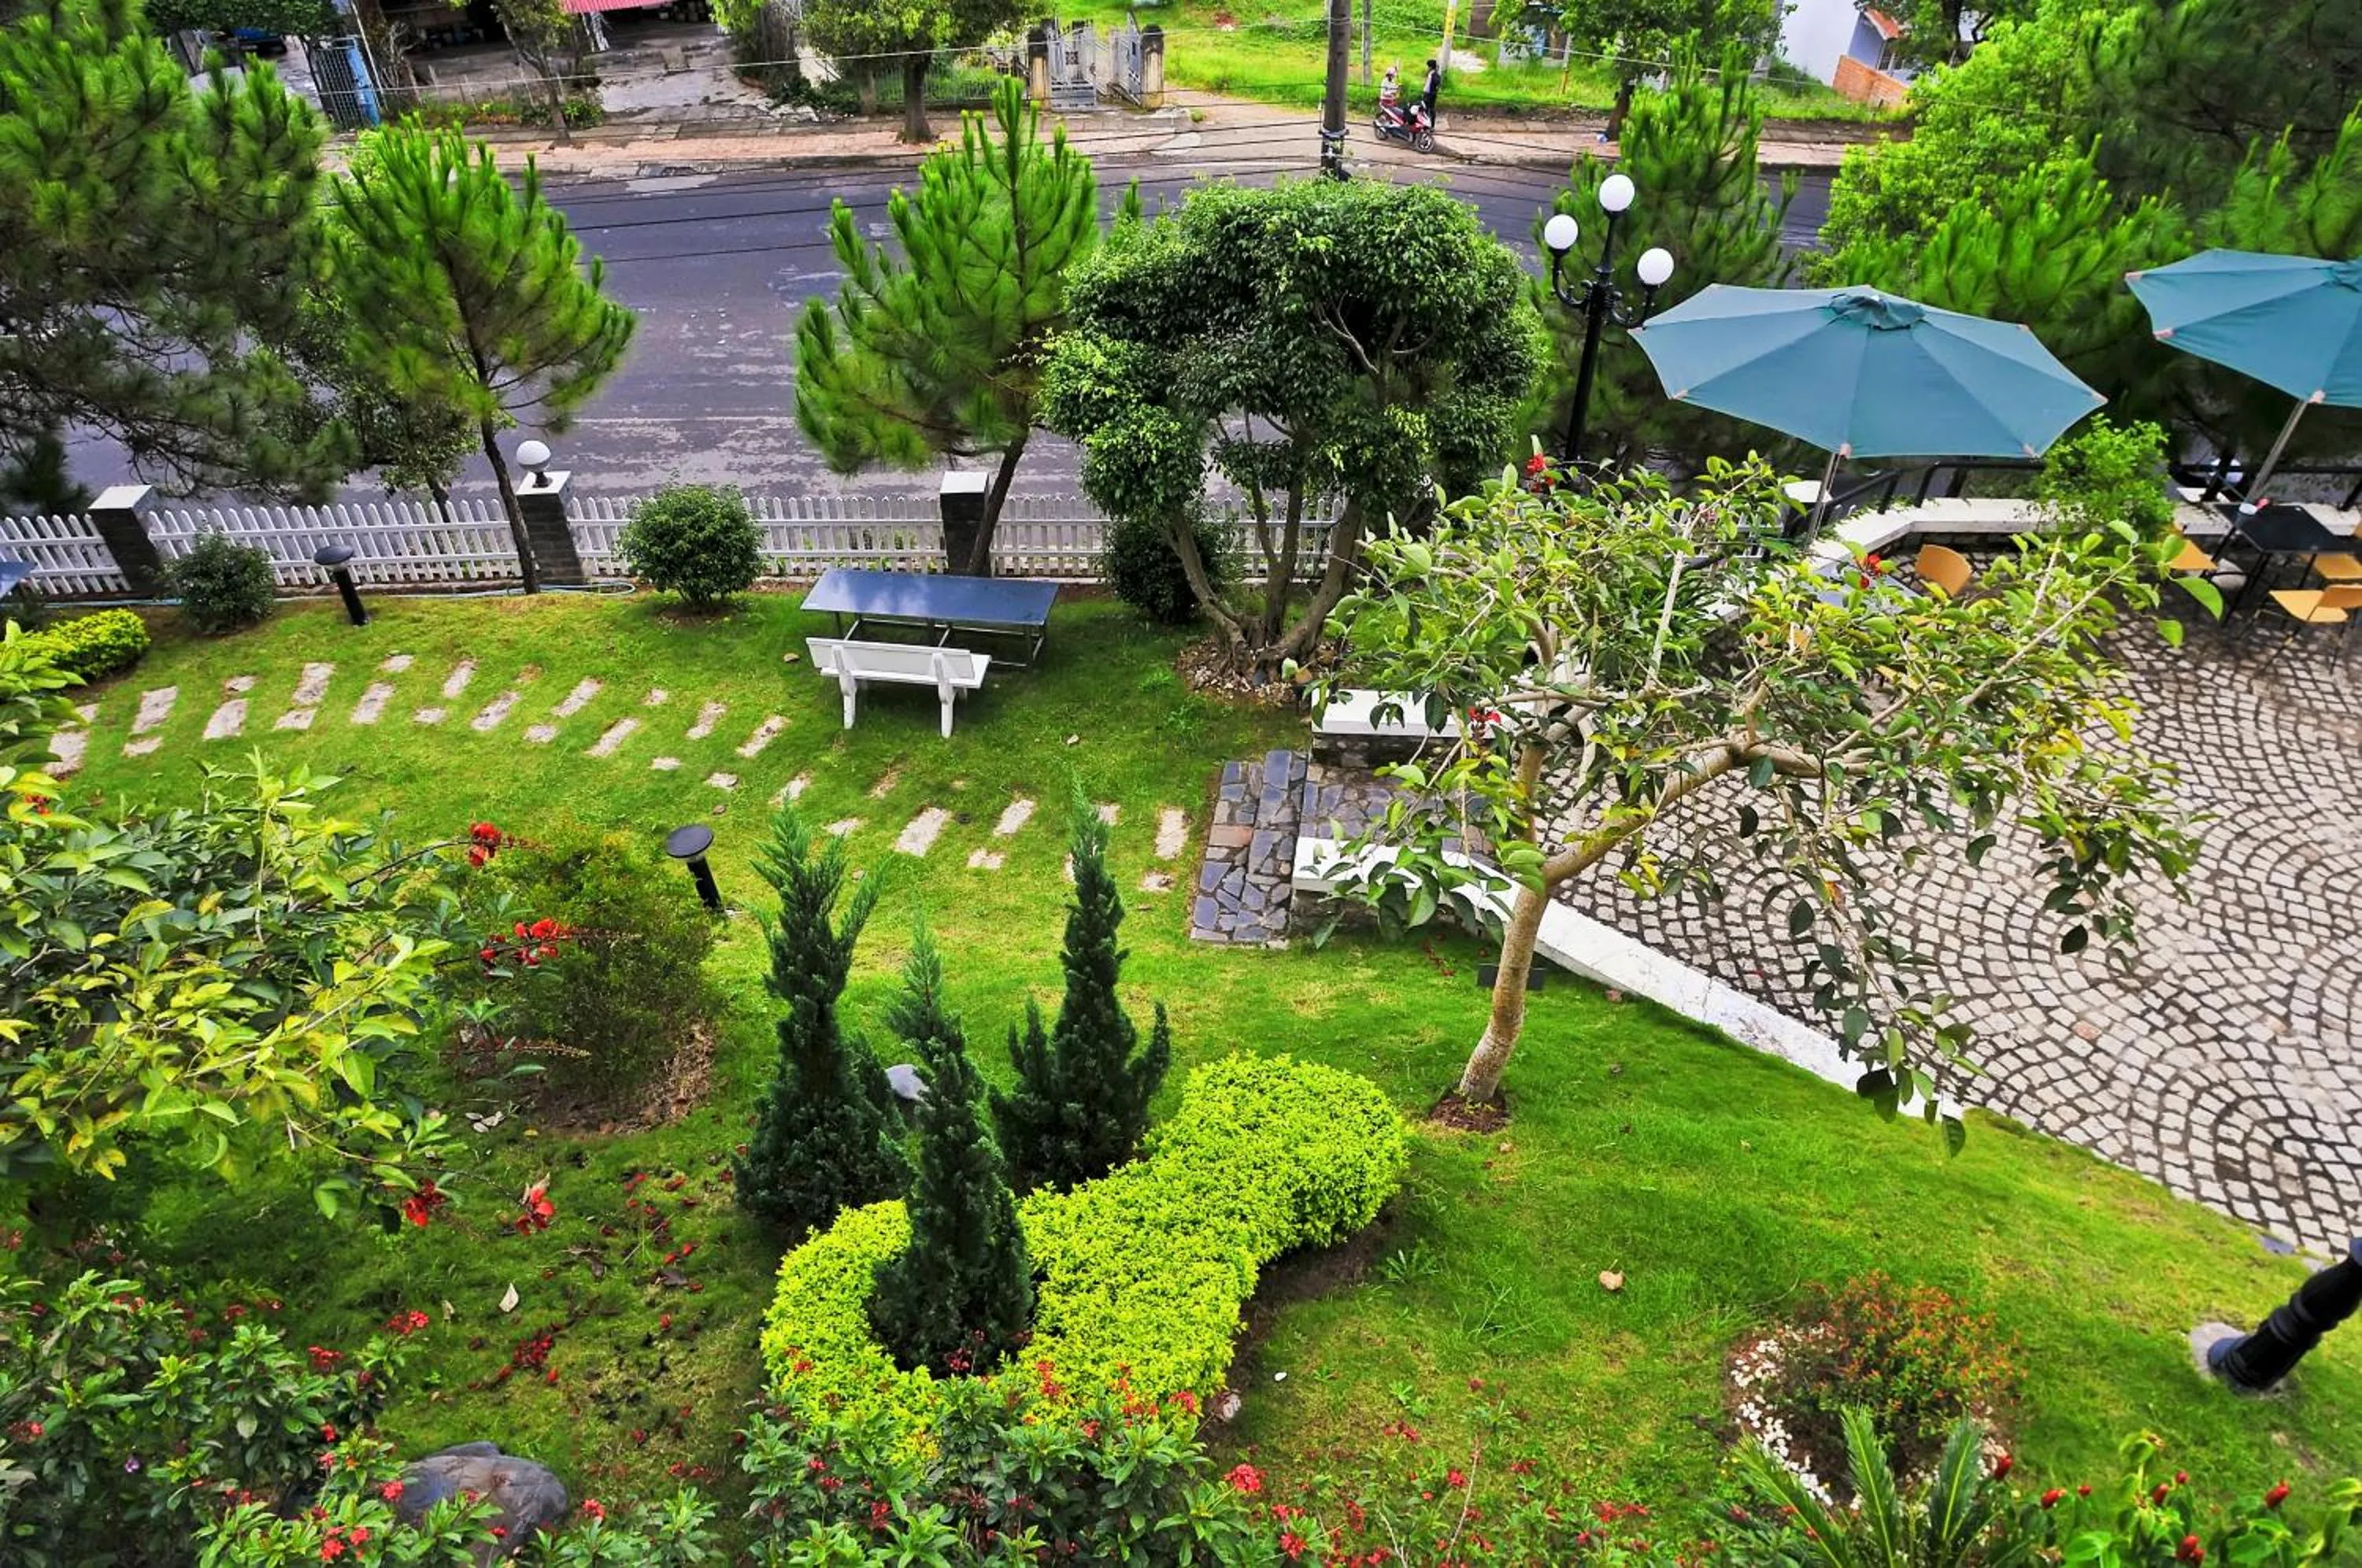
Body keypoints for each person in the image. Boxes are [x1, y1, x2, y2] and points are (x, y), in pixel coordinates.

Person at [1421, 57, 1441, 121]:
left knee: (1431, 109)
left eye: (1428, 66)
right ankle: (1426, 123)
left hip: (1431, 94)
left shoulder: (1434, 74)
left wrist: (1434, 91)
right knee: (1425, 109)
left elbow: (1437, 82)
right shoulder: (1430, 74)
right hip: (1427, 93)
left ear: (1431, 67)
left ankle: (1431, 125)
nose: (1427, 68)